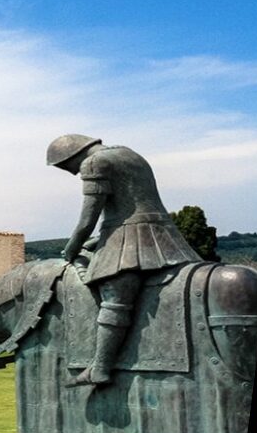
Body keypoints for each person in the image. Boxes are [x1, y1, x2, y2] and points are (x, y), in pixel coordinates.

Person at [46, 134, 202, 386]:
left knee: (115, 298)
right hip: (161, 233)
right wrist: (99, 241)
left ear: (71, 156)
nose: (73, 173)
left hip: (135, 238)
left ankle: (101, 367)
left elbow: (88, 218)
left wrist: (72, 247)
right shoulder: (130, 154)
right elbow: (131, 207)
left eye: (67, 167)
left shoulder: (94, 163)